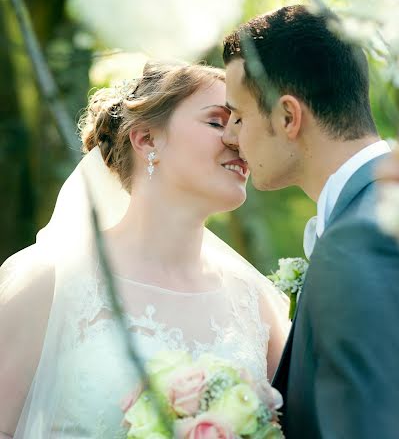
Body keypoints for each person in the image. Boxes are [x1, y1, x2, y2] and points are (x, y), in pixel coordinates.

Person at [0, 61, 289, 438]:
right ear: (146, 139)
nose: (238, 140)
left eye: (241, 124)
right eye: (218, 121)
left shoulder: (255, 302)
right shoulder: (52, 283)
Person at [222, 4, 399, 438]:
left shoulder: (360, 238)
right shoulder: (375, 211)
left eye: (239, 116)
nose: (229, 137)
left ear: (287, 117)